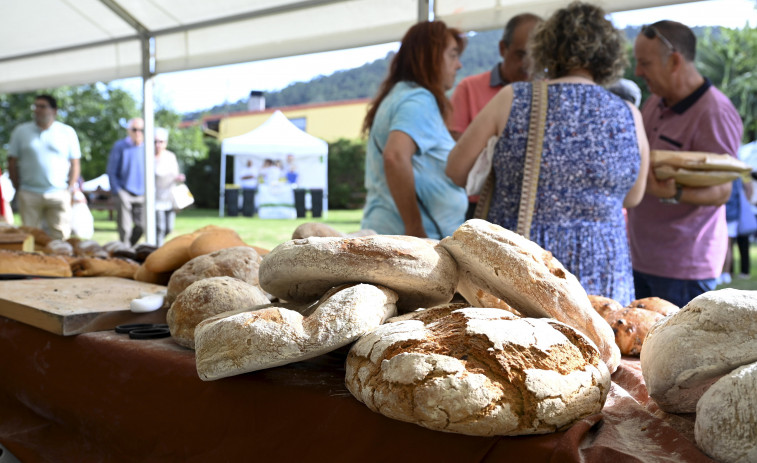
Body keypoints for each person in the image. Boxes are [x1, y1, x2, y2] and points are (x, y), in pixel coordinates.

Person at [446, 1, 649, 305]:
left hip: (526, 267)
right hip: (604, 267)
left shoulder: (514, 98)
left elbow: (456, 170)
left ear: (547, 47)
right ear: (608, 53)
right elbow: (632, 197)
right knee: (602, 345)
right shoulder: (629, 113)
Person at [627, 20, 743, 307]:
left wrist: (673, 193)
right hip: (640, 257)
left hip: (683, 269)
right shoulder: (654, 102)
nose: (637, 72)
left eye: (645, 63)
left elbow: (722, 191)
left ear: (675, 60)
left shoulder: (715, 112)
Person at [361, 20, 468, 239]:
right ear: (430, 57)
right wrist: (415, 229)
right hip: (407, 240)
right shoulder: (419, 98)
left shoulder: (400, 95)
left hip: (390, 233)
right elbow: (395, 156)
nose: (459, 65)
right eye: (453, 55)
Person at [449, 13, 541, 219]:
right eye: (521, 54)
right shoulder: (469, 88)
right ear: (502, 49)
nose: (528, 64)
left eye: (536, 55)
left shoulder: (547, 93)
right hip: (481, 207)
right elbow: (457, 154)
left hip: (534, 209)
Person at [7, 94, 81, 239]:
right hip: (29, 192)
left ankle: (58, 262)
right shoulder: (21, 131)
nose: (37, 110)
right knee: (29, 237)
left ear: (54, 110)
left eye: (42, 106)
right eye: (35, 106)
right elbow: (12, 161)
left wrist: (70, 188)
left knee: (60, 238)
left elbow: (75, 163)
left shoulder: (67, 132)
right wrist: (17, 186)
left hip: (59, 193)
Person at [107, 117, 146, 246]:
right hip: (124, 191)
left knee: (142, 225)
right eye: (134, 129)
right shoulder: (120, 146)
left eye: (141, 130)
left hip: (142, 193)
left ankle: (129, 247)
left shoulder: (147, 148)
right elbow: (111, 171)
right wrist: (117, 191)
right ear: (128, 130)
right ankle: (125, 250)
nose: (138, 132)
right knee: (125, 227)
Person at [154, 127, 184, 246]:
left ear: (165, 143)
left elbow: (175, 175)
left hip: (169, 197)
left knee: (168, 228)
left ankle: (159, 246)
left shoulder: (171, 157)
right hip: (156, 198)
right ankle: (158, 251)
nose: (158, 144)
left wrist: (179, 178)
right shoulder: (148, 158)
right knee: (159, 228)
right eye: (155, 141)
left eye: (161, 141)